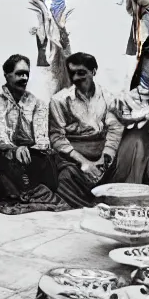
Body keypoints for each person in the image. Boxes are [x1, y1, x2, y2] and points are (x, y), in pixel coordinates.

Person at [0, 55, 63, 212]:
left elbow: (42, 136)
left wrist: (31, 149)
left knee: (48, 166)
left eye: (27, 74)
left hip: (31, 152)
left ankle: (30, 189)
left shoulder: (37, 102)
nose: (24, 78)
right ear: (7, 75)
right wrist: (13, 150)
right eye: (19, 73)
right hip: (4, 152)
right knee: (10, 171)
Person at [48, 52, 124, 206]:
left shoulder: (108, 98)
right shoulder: (59, 100)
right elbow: (56, 137)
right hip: (73, 156)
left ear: (94, 71)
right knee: (65, 178)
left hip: (101, 152)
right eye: (72, 73)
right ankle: (90, 208)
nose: (76, 78)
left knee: (122, 170)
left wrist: (104, 160)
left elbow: (115, 130)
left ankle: (107, 204)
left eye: (81, 73)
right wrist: (84, 163)